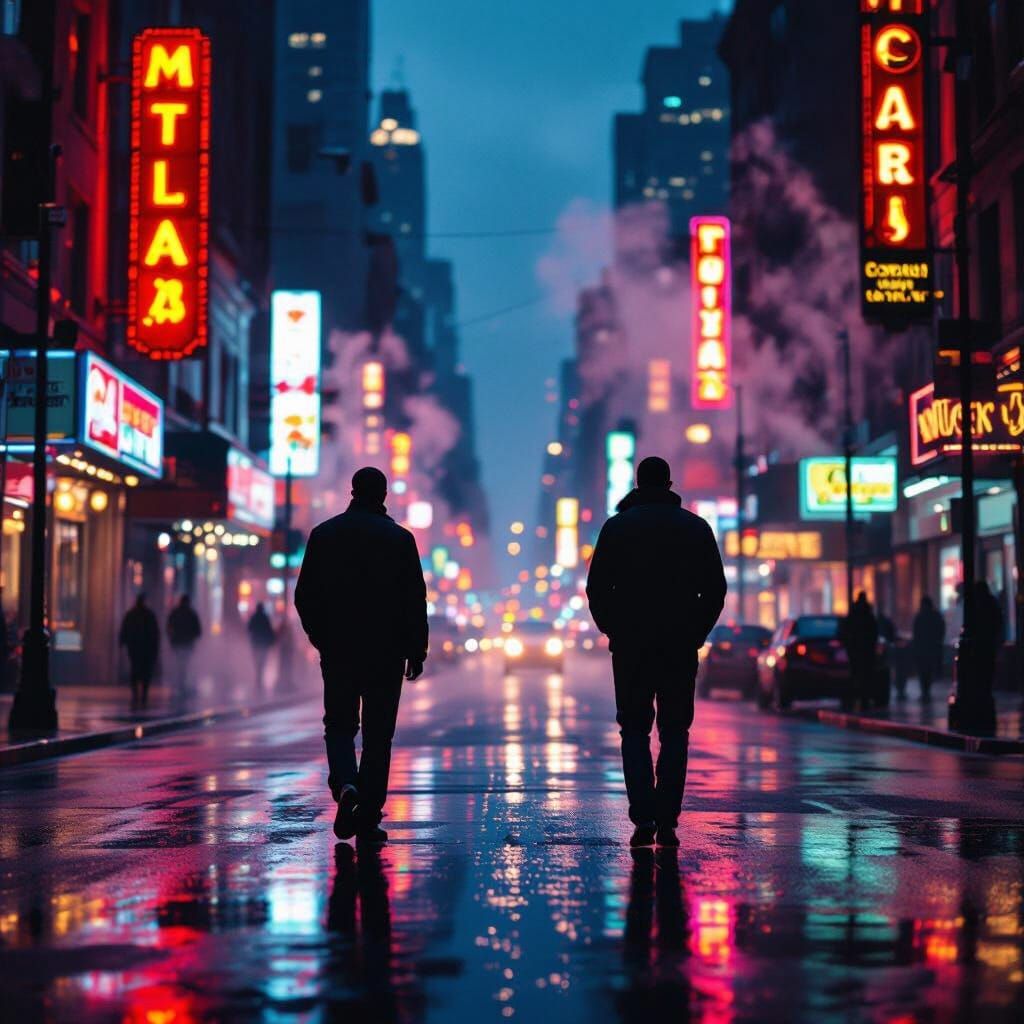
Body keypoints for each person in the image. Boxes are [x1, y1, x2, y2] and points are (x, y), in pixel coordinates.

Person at [586, 456, 727, 848]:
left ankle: (643, 817)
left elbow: (597, 589)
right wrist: (696, 632)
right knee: (675, 730)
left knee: (633, 729)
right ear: (668, 484)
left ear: (636, 482)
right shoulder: (696, 528)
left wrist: (614, 629)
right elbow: (715, 589)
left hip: (631, 647)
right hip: (679, 645)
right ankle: (667, 819)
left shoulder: (616, 528)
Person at [295, 466, 428, 845]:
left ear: (352, 490)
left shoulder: (324, 535)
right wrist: (415, 650)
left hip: (338, 650)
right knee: (378, 735)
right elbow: (414, 600)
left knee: (338, 725)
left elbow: (305, 596)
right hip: (385, 654)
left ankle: (346, 785)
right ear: (383, 495)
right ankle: (368, 815)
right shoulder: (401, 540)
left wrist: (320, 638)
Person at [119, 594, 160, 709]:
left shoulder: (132, 614)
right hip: (145, 648)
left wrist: (122, 642)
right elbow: (155, 633)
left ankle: (137, 694)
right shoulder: (148, 615)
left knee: (135, 670)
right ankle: (142, 695)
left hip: (135, 647)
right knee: (145, 671)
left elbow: (124, 629)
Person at [842, 591, 878, 710]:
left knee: (855, 675)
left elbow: (846, 630)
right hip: (866, 651)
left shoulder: (854, 613)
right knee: (866, 675)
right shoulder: (868, 614)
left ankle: (856, 699)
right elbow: (874, 631)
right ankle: (864, 699)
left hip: (856, 650)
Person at [166, 594, 201, 703]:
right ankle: (182, 685)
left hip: (177, 643)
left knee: (179, 665)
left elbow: (169, 626)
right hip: (187, 644)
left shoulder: (175, 613)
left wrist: (172, 638)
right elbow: (198, 630)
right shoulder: (191, 614)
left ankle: (179, 685)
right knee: (185, 666)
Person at [912, 595, 945, 700]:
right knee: (929, 670)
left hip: (921, 649)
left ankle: (924, 692)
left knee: (923, 671)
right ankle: (927, 691)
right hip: (931, 647)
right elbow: (941, 630)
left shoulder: (919, 616)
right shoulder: (936, 616)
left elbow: (916, 633)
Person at [247, 602, 276, 690]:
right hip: (263, 643)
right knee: (262, 662)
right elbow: (269, 630)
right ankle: (259, 678)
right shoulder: (265, 618)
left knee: (256, 661)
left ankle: (258, 678)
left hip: (255, 643)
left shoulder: (254, 617)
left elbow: (249, 628)